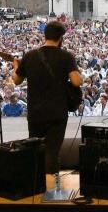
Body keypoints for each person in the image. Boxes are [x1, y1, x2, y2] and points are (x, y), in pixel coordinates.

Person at [12, 21, 82, 176]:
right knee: (52, 151)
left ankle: (36, 186)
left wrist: (15, 67)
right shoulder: (66, 56)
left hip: (35, 112)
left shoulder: (30, 56)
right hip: (57, 112)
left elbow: (16, 80)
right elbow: (77, 81)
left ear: (45, 35)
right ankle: (51, 190)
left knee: (36, 149)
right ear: (61, 37)